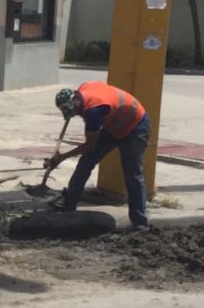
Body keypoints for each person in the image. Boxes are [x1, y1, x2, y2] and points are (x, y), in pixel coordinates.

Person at [44, 81, 151, 229]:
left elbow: (90, 145)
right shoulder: (83, 88)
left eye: (73, 110)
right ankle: (68, 206)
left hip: (135, 126)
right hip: (113, 125)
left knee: (133, 175)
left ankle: (141, 224)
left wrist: (61, 158)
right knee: (85, 163)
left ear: (76, 100)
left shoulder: (94, 111)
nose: (74, 114)